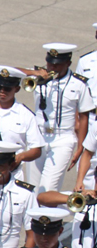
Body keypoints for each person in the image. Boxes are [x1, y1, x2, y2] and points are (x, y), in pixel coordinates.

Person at [21, 44, 95, 192]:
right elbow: (6, 72)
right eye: (50, 63)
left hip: (63, 139)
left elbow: (84, 116)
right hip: (38, 136)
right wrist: (34, 72)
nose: (53, 68)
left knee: (48, 189)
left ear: (68, 63)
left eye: (58, 64)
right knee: (33, 189)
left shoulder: (78, 83)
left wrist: (80, 146)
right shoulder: (38, 77)